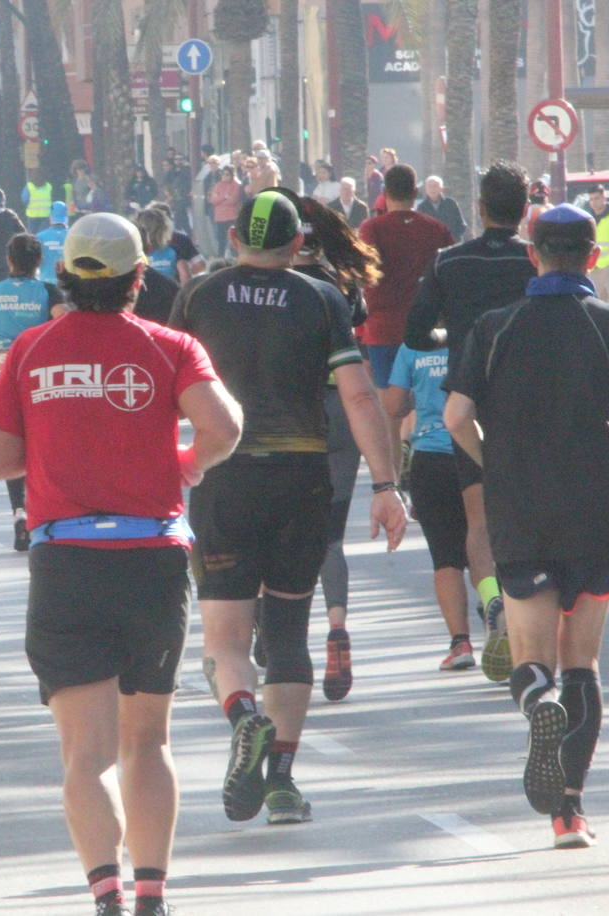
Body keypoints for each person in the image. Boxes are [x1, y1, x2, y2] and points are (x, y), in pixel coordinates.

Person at [0, 211, 241, 916]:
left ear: (62, 277)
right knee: (147, 743)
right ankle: (152, 894)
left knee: (84, 756)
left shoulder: (31, 350)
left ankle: (107, 896)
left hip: (67, 562)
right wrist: (186, 462)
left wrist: (62, 448)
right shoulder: (171, 346)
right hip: (152, 558)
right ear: (138, 278)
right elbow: (225, 427)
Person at [169, 191, 407, 827]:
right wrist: (386, 487)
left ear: (235, 239)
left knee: (224, 640)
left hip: (224, 477)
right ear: (298, 244)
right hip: (302, 478)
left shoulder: (200, 296)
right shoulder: (321, 298)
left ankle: (243, 715)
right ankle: (280, 782)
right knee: (287, 633)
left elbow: (168, 389)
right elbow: (358, 398)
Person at [443, 204, 609, 849]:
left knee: (531, 650)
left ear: (532, 256)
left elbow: (457, 418)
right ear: (594, 258)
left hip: (518, 502)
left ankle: (536, 703)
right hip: (595, 500)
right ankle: (570, 810)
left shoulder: (495, 326)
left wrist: (496, 460)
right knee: (584, 660)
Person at [405, 161, 536, 683]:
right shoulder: (535, 259)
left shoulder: (449, 262)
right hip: (529, 404)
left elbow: (415, 334)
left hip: (470, 405)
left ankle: (493, 605)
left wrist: (452, 340)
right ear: (525, 211)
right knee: (530, 513)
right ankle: (533, 614)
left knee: (478, 520)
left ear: (479, 208)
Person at [288, 196, 379, 701]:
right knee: (330, 539)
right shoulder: (340, 284)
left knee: (279, 529)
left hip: (293, 417)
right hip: (342, 415)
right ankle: (337, 629)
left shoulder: (276, 284)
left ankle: (277, 634)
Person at [382, 343, 477, 669]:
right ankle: (500, 620)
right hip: (477, 451)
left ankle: (460, 644)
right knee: (483, 542)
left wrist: (417, 395)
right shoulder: (475, 332)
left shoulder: (411, 347)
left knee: (445, 557)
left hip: (431, 459)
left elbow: (393, 405)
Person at [359, 163, 454, 476]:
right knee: (431, 401)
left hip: (383, 330)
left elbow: (364, 277)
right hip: (428, 330)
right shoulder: (436, 230)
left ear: (385, 194)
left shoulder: (372, 229)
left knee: (391, 411)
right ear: (415, 193)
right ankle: (425, 458)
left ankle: (393, 478)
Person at [0, 233, 64, 551]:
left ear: (9, 260)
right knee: (41, 443)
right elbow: (64, 321)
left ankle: (19, 515)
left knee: (12, 444)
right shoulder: (48, 291)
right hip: (38, 375)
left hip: (1, 374)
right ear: (39, 261)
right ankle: (44, 512)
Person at [136, 207, 190, 287]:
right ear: (164, 229)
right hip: (170, 294)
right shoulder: (174, 250)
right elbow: (185, 278)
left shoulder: (136, 251)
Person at [416, 176, 467, 242]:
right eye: (430, 186)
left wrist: (453, 237)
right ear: (426, 189)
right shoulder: (421, 207)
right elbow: (419, 229)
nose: (432, 189)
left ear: (441, 188)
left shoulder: (451, 204)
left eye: (435, 186)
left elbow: (461, 225)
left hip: (451, 245)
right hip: (431, 246)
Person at [208, 165, 244, 256]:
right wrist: (224, 197)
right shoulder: (218, 185)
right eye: (223, 174)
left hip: (232, 216)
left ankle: (236, 259)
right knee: (221, 241)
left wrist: (219, 199)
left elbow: (233, 200)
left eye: (227, 174)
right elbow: (213, 200)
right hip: (220, 217)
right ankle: (220, 259)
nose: (224, 176)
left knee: (233, 240)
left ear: (232, 175)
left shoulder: (237, 185)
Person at [35, 201, 69, 283]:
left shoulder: (40, 237)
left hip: (46, 284)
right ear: (66, 217)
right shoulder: (73, 236)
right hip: (68, 286)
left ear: (51, 217)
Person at [22, 168, 54, 232]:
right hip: (46, 215)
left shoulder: (29, 187)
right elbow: (51, 199)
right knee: (43, 235)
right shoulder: (49, 186)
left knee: (33, 236)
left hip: (32, 215)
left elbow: (24, 200)